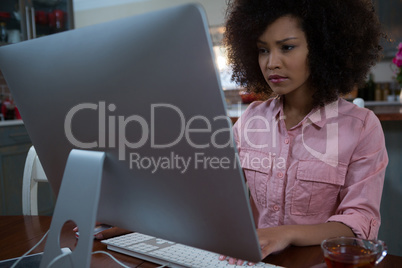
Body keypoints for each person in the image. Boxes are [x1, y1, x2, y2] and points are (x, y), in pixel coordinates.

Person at [218, 0, 388, 265]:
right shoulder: (250, 120)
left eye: (287, 47)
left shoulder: (361, 127)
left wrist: (285, 234)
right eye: (263, 50)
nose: (271, 63)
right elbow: (218, 192)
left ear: (322, 48)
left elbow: (359, 224)